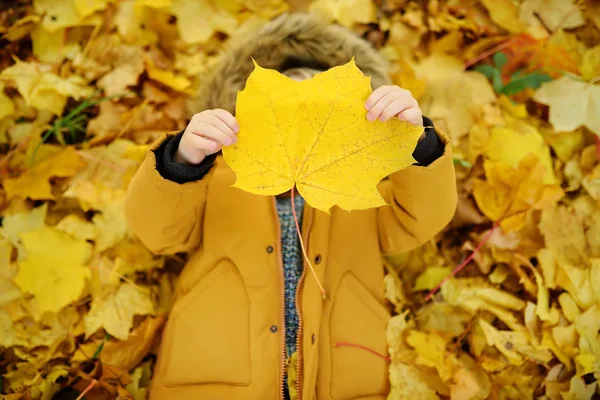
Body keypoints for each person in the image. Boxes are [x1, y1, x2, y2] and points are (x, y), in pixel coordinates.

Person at [124, 12, 457, 400]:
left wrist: (413, 142)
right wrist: (183, 160)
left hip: (345, 379)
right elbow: (158, 232)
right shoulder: (216, 178)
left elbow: (422, 219)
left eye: (317, 113)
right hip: (214, 378)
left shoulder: (367, 187)